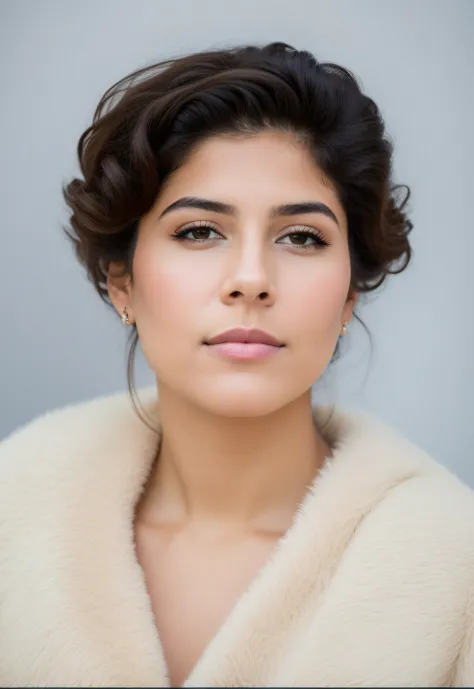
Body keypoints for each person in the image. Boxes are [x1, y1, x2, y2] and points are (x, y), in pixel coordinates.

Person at [0, 41, 473, 688]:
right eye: (199, 231)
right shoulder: (13, 522)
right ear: (122, 283)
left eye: (302, 237)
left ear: (348, 298)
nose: (250, 279)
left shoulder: (454, 568)